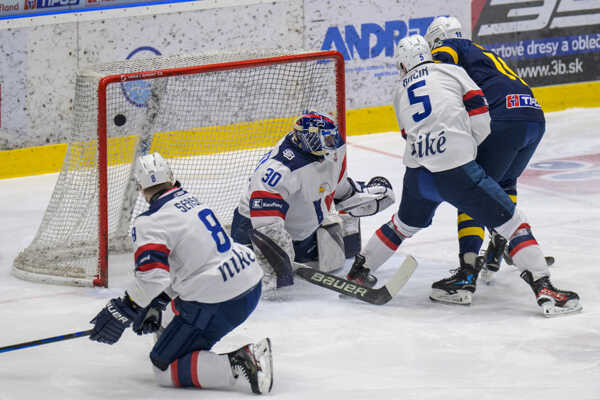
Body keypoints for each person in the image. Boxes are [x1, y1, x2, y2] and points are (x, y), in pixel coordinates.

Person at [347, 34, 581, 317]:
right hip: (457, 169)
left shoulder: (399, 89)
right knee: (512, 223)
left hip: (418, 173)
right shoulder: (452, 71)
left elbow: (407, 133)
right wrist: (464, 149)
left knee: (402, 225)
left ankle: (360, 270)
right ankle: (544, 287)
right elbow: (481, 117)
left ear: (402, 64)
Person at [89, 152, 273, 394]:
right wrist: (161, 300)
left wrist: (125, 309)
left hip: (221, 300)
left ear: (140, 187)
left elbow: (153, 277)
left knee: (165, 368)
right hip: (249, 282)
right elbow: (190, 263)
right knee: (160, 307)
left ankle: (242, 362)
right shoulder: (192, 201)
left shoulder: (150, 222)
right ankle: (177, 336)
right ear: (172, 177)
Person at [424, 16, 549, 289]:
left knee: (471, 191)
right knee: (504, 182)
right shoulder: (482, 52)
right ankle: (497, 246)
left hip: (504, 119)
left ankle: (467, 270)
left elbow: (437, 71)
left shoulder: (449, 46)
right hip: (534, 117)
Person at [231, 111, 395, 290]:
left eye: (332, 139)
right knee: (269, 285)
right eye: (326, 140)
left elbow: (336, 188)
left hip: (302, 234)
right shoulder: (278, 170)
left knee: (343, 252)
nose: (332, 144)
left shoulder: (330, 150)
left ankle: (300, 252)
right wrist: (279, 259)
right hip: (255, 233)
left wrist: (361, 195)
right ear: (309, 139)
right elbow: (267, 226)